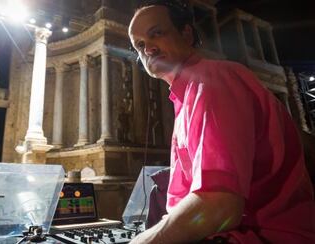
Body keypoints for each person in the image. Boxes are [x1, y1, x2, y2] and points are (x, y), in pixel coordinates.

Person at [128, 0, 315, 243]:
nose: (148, 49)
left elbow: (219, 204)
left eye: (157, 33)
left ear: (186, 33)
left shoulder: (212, 81)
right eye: (139, 45)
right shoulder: (188, 96)